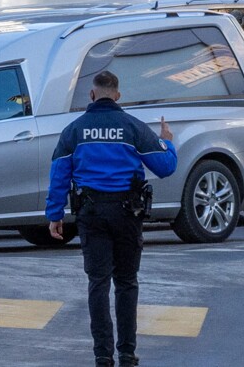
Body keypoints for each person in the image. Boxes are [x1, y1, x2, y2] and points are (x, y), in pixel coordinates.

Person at [46, 70, 177, 367]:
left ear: (92, 95)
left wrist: (54, 215)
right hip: (126, 214)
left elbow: (58, 175)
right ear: (118, 96)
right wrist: (167, 141)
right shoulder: (133, 128)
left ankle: (102, 356)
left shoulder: (74, 131)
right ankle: (128, 354)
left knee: (98, 282)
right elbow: (166, 166)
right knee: (127, 282)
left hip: (91, 214)